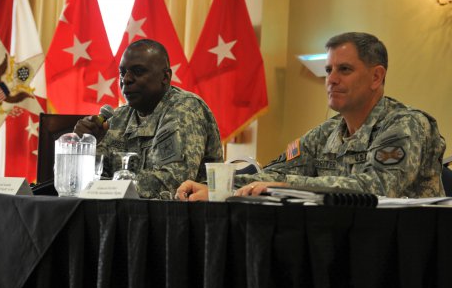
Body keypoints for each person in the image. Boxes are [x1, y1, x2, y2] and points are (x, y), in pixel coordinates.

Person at [177, 32, 446, 201]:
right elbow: (275, 172)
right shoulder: (327, 132)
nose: (331, 80)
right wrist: (217, 187)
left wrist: (281, 185)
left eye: (344, 70)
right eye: (328, 70)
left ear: (376, 76)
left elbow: (378, 186)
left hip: (407, 249)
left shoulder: (406, 124)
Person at [74, 39, 223, 198]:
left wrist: (108, 187)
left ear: (165, 77)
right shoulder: (118, 117)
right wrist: (85, 146)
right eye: (122, 73)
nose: (126, 80)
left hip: (182, 217)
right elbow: (79, 182)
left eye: (138, 72)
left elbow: (172, 184)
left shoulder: (185, 108)